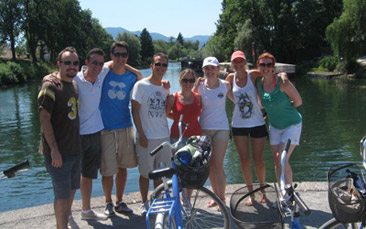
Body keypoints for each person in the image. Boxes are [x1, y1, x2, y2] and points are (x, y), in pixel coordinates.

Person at [37, 47, 82, 229]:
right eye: (67, 63)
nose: (71, 66)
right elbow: (44, 118)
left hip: (74, 149)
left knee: (71, 190)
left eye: (75, 63)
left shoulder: (74, 84)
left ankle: (64, 221)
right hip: (58, 153)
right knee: (62, 195)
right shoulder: (50, 86)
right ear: (59, 65)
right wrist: (54, 149)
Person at [99, 41, 142, 217]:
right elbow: (86, 73)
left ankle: (119, 201)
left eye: (123, 55)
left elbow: (143, 82)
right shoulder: (103, 73)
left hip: (125, 126)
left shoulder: (132, 78)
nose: (120, 58)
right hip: (105, 128)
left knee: (123, 166)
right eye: (116, 54)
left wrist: (137, 71)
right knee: (108, 168)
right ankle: (108, 202)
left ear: (127, 57)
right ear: (111, 55)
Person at [225, 50, 267, 206]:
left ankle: (262, 189)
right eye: (235, 61)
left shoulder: (254, 75)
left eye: (240, 61)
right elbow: (222, 91)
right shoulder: (229, 78)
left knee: (258, 160)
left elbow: (269, 79)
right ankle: (251, 194)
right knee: (244, 160)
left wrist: (264, 104)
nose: (238, 64)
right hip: (239, 125)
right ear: (232, 64)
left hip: (257, 123)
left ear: (245, 62)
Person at [131, 53, 171, 215]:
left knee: (161, 174)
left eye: (164, 65)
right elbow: (135, 112)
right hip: (146, 137)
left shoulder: (165, 87)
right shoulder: (140, 86)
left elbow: (167, 110)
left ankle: (157, 200)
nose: (161, 68)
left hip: (163, 136)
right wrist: (141, 134)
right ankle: (144, 202)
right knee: (145, 174)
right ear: (151, 66)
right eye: (158, 64)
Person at [256, 52, 302, 186]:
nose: (266, 67)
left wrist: (284, 108)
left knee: (281, 158)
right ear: (258, 66)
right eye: (262, 64)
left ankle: (288, 192)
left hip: (291, 124)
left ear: (273, 67)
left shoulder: (282, 82)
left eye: (269, 64)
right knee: (277, 161)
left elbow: (298, 101)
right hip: (275, 127)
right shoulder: (258, 82)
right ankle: (283, 192)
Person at [195, 56, 231, 209]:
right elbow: (188, 100)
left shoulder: (226, 85)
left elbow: (240, 97)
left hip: (221, 129)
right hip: (204, 129)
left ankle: (222, 198)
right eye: (206, 68)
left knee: (218, 164)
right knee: (209, 165)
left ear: (218, 70)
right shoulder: (199, 86)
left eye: (212, 68)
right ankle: (214, 196)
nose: (209, 71)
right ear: (203, 70)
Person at [166, 68, 202, 148]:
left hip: (196, 138)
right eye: (185, 80)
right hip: (177, 138)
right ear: (180, 81)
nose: (188, 83)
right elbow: (166, 114)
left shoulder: (198, 97)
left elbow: (200, 113)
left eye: (191, 80)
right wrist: (177, 118)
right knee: (177, 160)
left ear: (194, 82)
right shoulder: (172, 98)